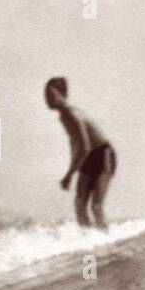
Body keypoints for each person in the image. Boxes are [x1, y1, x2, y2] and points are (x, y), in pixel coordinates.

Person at [45, 76, 116, 230]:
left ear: (63, 94)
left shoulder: (71, 113)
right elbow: (75, 143)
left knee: (96, 206)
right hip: (88, 156)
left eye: (51, 95)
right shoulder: (63, 116)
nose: (47, 99)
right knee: (79, 204)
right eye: (46, 95)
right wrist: (72, 169)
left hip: (103, 154)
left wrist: (69, 174)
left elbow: (84, 146)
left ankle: (105, 238)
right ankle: (88, 239)